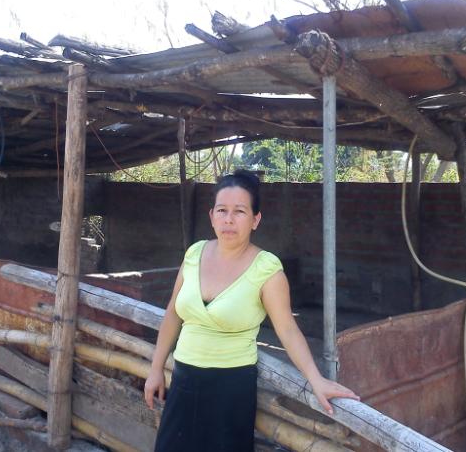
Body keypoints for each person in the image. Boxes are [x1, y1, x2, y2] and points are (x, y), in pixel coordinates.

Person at [144, 169, 359, 452]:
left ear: (255, 220)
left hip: (230, 388)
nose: (229, 219)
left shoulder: (266, 269)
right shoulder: (194, 254)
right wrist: (156, 368)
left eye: (240, 211)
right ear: (211, 216)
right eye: (222, 210)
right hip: (183, 379)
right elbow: (173, 312)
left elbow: (287, 329)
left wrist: (315, 379)